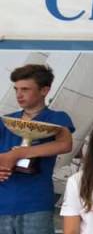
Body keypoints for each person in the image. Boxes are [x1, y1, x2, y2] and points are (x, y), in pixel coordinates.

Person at [0, 64, 75, 234]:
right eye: (16, 89)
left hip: (36, 204)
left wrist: (18, 153)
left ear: (44, 90)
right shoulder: (5, 121)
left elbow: (65, 144)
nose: (19, 94)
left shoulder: (57, 118)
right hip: (2, 204)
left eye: (25, 89)